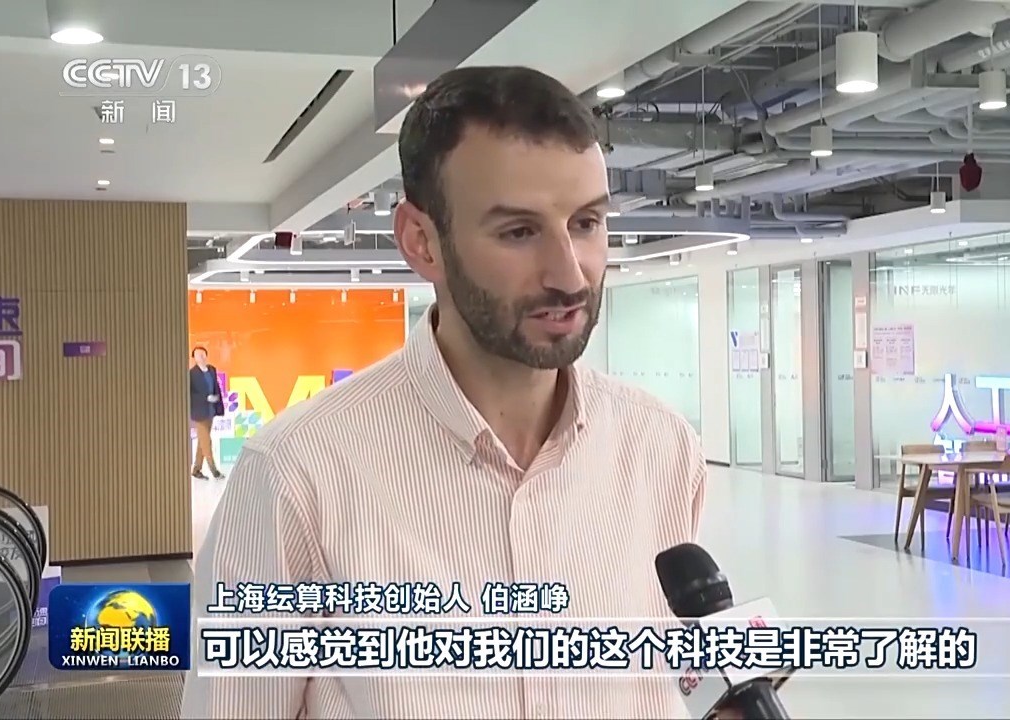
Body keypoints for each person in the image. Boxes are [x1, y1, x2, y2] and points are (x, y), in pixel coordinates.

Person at [181, 66, 707, 719]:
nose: (570, 275)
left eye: (586, 223)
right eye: (519, 231)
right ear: (421, 242)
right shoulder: (295, 475)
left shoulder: (661, 447)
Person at [188, 346, 225, 480]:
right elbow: (190, 394)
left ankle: (196, 469)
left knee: (202, 442)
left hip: (211, 411)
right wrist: (205, 398)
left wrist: (217, 401)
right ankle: (214, 470)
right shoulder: (191, 374)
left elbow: (216, 387)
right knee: (206, 442)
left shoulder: (211, 370)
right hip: (199, 412)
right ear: (194, 358)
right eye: (198, 355)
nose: (201, 356)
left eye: (203, 354)